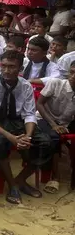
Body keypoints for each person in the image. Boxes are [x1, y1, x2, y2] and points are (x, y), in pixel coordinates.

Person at [0, 50, 55, 204]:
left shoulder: (25, 86)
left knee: (46, 143)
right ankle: (12, 185)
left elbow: (29, 114)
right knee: (0, 143)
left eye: (12, 67)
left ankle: (20, 179)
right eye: (4, 66)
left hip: (17, 121)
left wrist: (28, 135)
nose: (6, 70)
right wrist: (11, 137)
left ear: (20, 68)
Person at [36, 62, 75, 194]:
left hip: (66, 122)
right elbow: (39, 104)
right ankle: (54, 176)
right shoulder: (56, 83)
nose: (73, 76)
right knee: (53, 137)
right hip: (44, 118)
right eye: (72, 72)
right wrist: (53, 124)